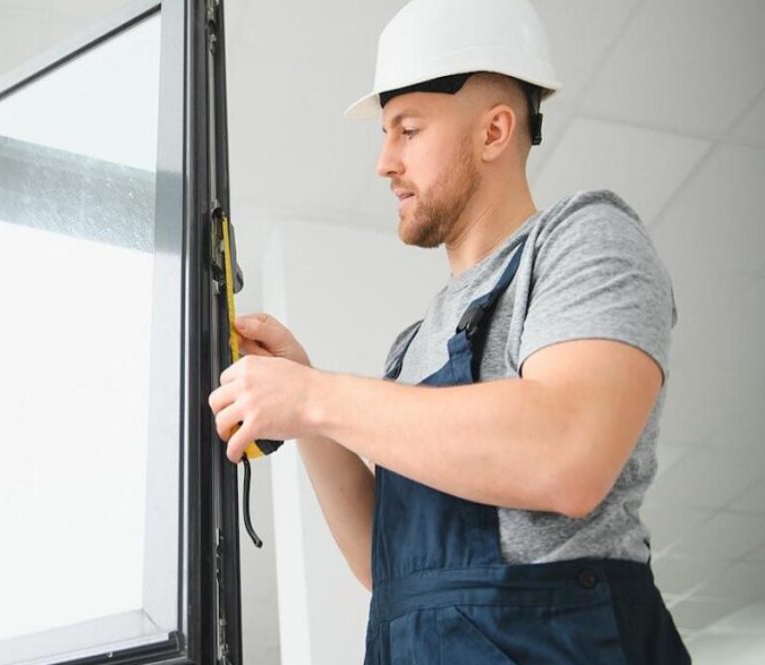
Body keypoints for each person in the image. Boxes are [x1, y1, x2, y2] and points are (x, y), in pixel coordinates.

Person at [207, 0, 691, 662]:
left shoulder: (586, 240)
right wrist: (307, 414)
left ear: (494, 131)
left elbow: (567, 451)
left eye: (407, 130)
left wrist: (316, 396)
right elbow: (393, 574)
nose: (383, 161)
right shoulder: (411, 345)